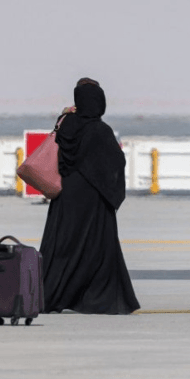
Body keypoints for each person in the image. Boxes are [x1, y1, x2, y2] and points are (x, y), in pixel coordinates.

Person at [40, 78, 140, 315]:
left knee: (62, 247)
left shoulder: (66, 124)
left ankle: (49, 295)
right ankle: (98, 298)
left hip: (66, 195)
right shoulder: (99, 130)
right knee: (97, 248)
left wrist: (64, 114)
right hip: (93, 198)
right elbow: (116, 162)